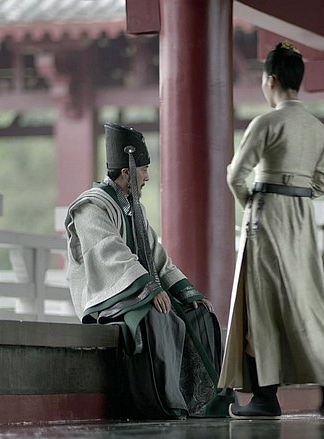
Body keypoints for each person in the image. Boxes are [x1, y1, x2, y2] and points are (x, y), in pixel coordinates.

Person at [219, 42, 324, 419]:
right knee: (308, 297)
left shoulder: (266, 123)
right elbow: (320, 184)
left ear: (272, 80)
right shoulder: (317, 128)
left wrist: (252, 201)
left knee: (261, 303)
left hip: (267, 215)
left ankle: (265, 397)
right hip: (302, 218)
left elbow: (235, 175)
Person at [65, 123, 228, 419]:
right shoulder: (91, 206)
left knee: (199, 315)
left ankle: (202, 402)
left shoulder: (133, 207)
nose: (147, 177)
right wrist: (149, 288)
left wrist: (184, 290)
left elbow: (156, 255)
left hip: (135, 289)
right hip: (109, 294)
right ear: (126, 172)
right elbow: (108, 252)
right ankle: (165, 402)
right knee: (155, 316)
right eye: (143, 169)